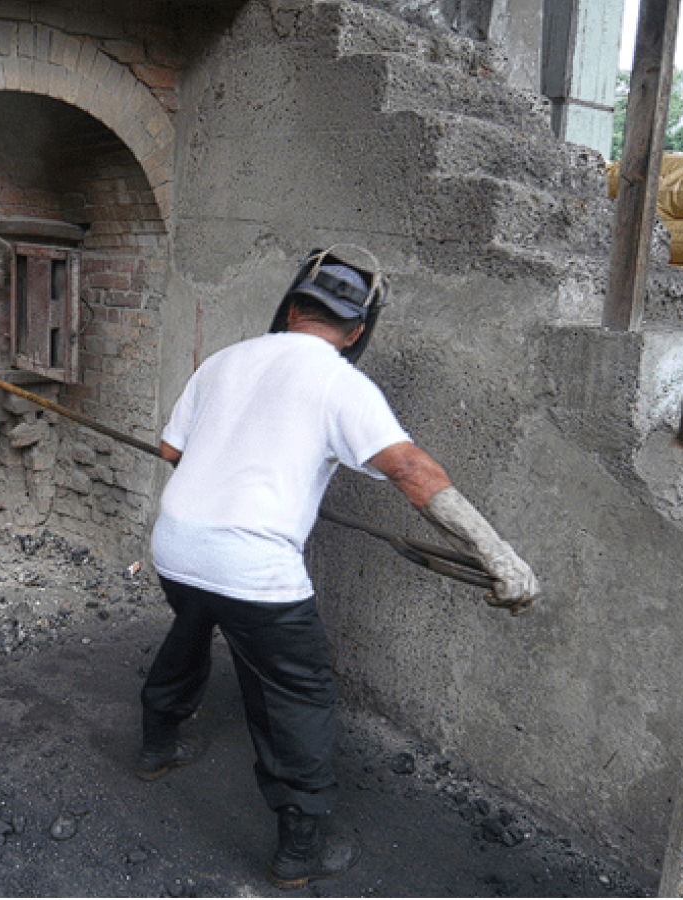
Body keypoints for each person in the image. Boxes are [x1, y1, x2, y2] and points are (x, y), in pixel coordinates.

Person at [137, 246, 539, 890]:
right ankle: (300, 849)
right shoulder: (341, 382)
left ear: (292, 308)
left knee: (191, 628)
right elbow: (409, 470)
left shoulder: (224, 360)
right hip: (254, 569)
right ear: (356, 331)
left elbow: (169, 449)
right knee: (299, 693)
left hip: (177, 547)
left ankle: (158, 746)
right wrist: (496, 553)